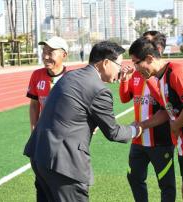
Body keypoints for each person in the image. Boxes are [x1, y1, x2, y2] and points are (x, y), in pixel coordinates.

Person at [24, 41, 143, 202]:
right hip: (63, 164)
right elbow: (113, 132)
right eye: (119, 64)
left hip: (39, 155)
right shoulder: (99, 90)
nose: (121, 69)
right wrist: (136, 129)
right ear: (106, 63)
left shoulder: (71, 75)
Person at [129, 37, 183, 202]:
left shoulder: (176, 72)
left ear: (149, 58)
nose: (135, 68)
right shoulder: (161, 77)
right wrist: (143, 125)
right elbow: (166, 111)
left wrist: (175, 125)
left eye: (136, 63)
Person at [120, 31, 176, 202]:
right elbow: (124, 98)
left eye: (146, 43)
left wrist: (150, 79)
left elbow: (167, 108)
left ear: (157, 49)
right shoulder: (138, 72)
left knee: (166, 184)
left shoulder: (166, 74)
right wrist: (125, 80)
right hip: (138, 140)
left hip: (160, 140)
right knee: (135, 178)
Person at [26, 36, 69, 202]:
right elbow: (34, 104)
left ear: (63, 55)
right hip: (43, 138)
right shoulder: (37, 75)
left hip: (64, 141)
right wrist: (33, 128)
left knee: (61, 184)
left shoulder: (72, 77)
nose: (45, 56)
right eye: (44, 51)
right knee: (42, 182)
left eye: (50, 52)